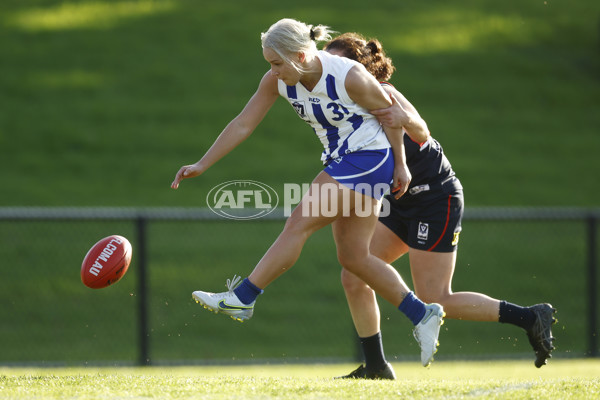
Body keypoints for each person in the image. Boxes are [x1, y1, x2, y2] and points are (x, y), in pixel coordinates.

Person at [171, 18, 445, 369]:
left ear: (301, 54)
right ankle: (422, 314)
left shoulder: (348, 76)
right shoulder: (278, 81)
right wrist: (202, 164)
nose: (272, 71)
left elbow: (392, 117)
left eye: (276, 63)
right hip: (347, 160)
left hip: (369, 158)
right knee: (354, 259)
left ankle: (244, 296)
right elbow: (243, 122)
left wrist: (402, 165)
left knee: (298, 222)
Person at [323, 33, 557, 380]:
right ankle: (376, 365)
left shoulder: (380, 93)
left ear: (360, 69)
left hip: (434, 197)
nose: (331, 69)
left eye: (338, 63)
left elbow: (421, 131)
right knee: (354, 271)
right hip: (398, 199)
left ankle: (529, 317)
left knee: (434, 297)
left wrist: (401, 117)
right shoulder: (336, 101)